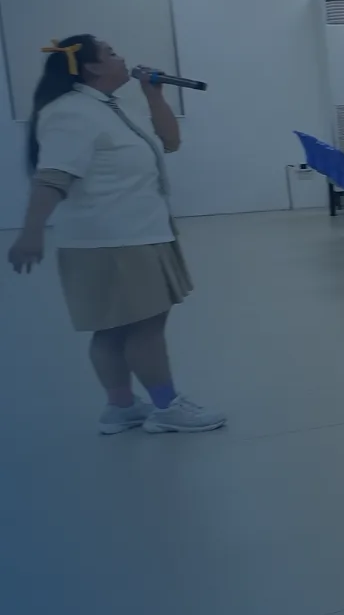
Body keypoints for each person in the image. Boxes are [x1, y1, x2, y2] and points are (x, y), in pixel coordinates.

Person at [9, 34, 223, 433]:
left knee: (113, 328)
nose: (122, 57)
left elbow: (170, 142)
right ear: (91, 67)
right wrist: (31, 231)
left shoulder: (111, 106)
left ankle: (121, 407)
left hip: (135, 232)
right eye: (110, 53)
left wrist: (154, 96)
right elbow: (53, 176)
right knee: (144, 327)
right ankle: (166, 407)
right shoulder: (70, 112)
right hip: (115, 240)